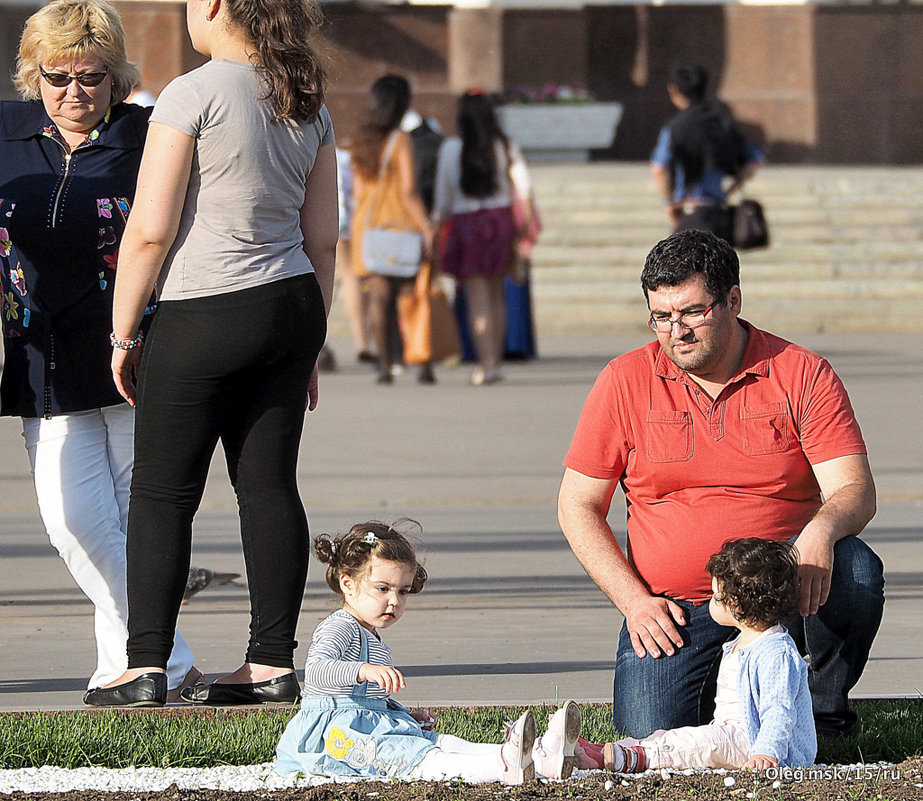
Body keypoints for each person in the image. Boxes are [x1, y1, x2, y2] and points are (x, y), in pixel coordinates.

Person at [82, 0, 336, 707]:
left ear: (217, 5)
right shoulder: (305, 97)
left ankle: (144, 665)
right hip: (289, 304)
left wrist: (123, 332)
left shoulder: (193, 91)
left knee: (163, 492)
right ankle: (270, 662)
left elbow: (150, 230)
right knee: (268, 485)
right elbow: (323, 240)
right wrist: (310, 341)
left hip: (204, 307)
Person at [558, 229, 884, 739]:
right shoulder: (623, 381)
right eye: (661, 317)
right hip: (677, 606)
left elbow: (854, 490)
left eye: (692, 312)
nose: (676, 332)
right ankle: (736, 692)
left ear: (733, 299)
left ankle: (821, 711)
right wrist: (634, 603)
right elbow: (577, 506)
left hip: (783, 590)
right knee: (650, 736)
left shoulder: (801, 373)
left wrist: (819, 534)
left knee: (856, 570)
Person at [0, 0, 198, 703]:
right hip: (40, 358)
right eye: (58, 76)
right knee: (74, 522)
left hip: (139, 353)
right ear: (34, 74)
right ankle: (168, 658)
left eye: (92, 77)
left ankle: (128, 667)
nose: (74, 93)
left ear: (117, 79)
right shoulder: (6, 133)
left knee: (128, 516)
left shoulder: (151, 136)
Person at [274, 520, 583, 782]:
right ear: (348, 584)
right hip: (334, 739)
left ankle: (537, 754)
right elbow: (317, 670)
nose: (394, 600)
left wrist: (400, 712)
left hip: (365, 726)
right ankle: (503, 766)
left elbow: (365, 699)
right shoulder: (339, 626)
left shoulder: (372, 635)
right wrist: (363, 670)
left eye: (403, 591)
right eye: (383, 588)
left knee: (440, 742)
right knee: (419, 759)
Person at [604, 538, 816, 773]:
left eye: (715, 596)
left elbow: (779, 710)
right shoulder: (742, 643)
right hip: (734, 736)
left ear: (737, 606)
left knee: (700, 745)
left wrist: (765, 753)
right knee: (681, 738)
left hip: (755, 744)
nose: (711, 601)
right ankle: (612, 750)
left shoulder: (776, 653)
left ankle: (636, 758)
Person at [433, 90, 533, 386]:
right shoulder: (503, 145)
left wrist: (433, 233)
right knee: (497, 294)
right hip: (500, 220)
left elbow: (443, 200)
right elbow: (523, 185)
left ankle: (486, 364)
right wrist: (524, 221)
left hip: (467, 223)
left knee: (477, 299)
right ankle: (496, 363)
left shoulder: (452, 148)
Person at [349, 75, 435, 385]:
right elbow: (410, 190)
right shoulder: (401, 140)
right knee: (412, 295)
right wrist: (427, 227)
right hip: (400, 222)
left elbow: (357, 190)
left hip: (369, 227)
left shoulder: (360, 139)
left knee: (379, 297)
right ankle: (422, 362)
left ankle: (385, 367)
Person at [650, 63, 762, 243]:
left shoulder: (675, 128)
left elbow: (658, 168)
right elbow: (753, 162)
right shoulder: (723, 122)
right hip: (720, 213)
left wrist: (668, 204)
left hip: (690, 212)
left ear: (674, 90)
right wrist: (730, 190)